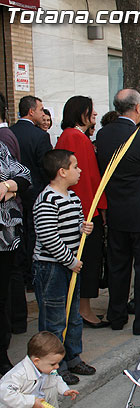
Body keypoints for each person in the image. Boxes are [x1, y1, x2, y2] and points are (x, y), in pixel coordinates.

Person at [95, 89, 140, 335]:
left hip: (115, 211)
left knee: (117, 265)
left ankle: (116, 315)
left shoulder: (102, 135)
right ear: (137, 108)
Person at [32, 149, 96, 386]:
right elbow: (49, 237)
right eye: (75, 166)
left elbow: (73, 225)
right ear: (62, 171)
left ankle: (73, 357)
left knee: (73, 316)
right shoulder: (47, 200)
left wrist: (83, 228)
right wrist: (70, 260)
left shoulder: (73, 197)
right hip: (51, 269)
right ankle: (53, 366)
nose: (79, 171)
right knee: (54, 319)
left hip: (70, 266)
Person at [54, 96, 108, 329]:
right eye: (91, 110)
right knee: (86, 261)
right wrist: (97, 209)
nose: (94, 114)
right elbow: (88, 179)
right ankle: (83, 310)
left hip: (82, 208)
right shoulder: (76, 137)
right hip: (85, 211)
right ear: (81, 113)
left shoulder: (70, 136)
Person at [10, 96, 52, 334]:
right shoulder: (39, 136)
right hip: (35, 194)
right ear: (31, 111)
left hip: (15, 198)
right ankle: (33, 277)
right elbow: (46, 168)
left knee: (20, 238)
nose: (42, 112)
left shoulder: (10, 133)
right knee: (35, 236)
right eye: (39, 108)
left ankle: (25, 274)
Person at [0, 332, 79, 408]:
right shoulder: (18, 375)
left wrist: (65, 390)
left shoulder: (45, 367)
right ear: (36, 361)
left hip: (37, 401)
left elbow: (56, 378)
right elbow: (6, 394)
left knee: (51, 388)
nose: (57, 366)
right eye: (53, 364)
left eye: (58, 363)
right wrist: (32, 402)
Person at [0, 140, 31, 375]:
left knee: (2, 299)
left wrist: (8, 185)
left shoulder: (1, 147)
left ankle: (2, 357)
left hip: (5, 239)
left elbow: (24, 176)